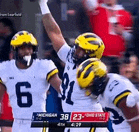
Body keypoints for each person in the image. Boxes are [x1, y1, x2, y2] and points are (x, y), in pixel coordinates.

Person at [39, 0, 108, 131]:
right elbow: (54, 33)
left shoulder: (96, 72)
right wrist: (43, 5)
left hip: (88, 121)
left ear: (92, 54)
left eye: (81, 50)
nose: (76, 51)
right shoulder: (72, 57)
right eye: (77, 47)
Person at [0, 30, 62, 132]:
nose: (27, 51)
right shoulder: (6, 69)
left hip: (38, 122)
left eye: (29, 48)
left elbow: (62, 89)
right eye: (22, 48)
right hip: (17, 122)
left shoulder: (44, 66)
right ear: (15, 50)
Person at [76, 58, 139, 132]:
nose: (88, 91)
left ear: (98, 81)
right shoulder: (105, 86)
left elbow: (137, 124)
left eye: (89, 87)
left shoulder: (117, 90)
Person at [83, 0, 133, 73]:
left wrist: (123, 32)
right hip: (101, 57)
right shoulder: (96, 10)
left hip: (120, 58)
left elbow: (131, 38)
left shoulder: (126, 14)